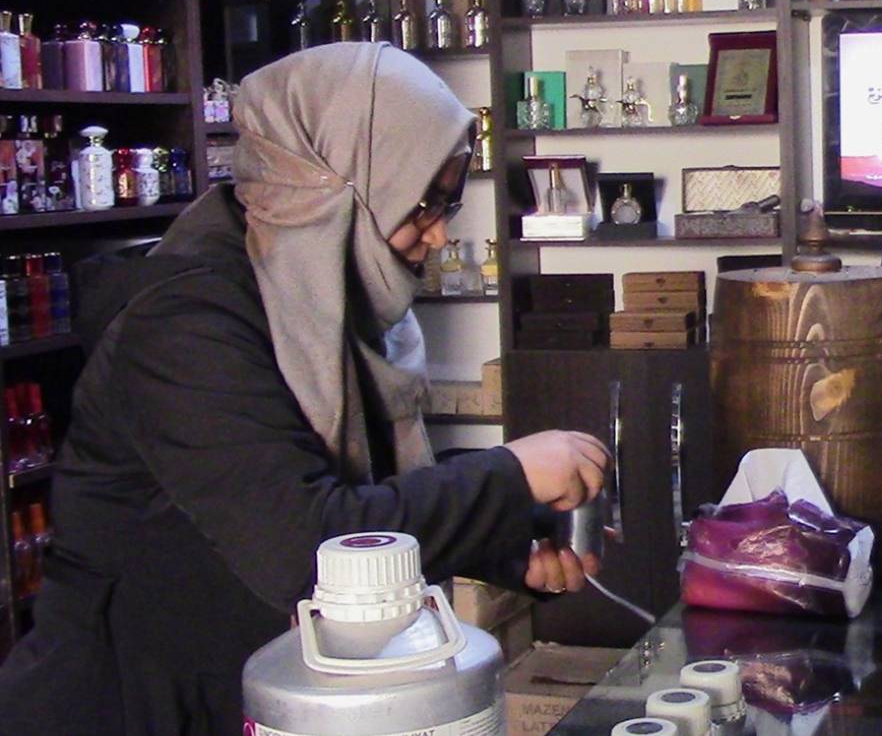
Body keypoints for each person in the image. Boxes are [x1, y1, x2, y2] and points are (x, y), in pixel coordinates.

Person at [0, 44, 609, 733]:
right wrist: (509, 478)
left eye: (449, 204)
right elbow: (307, 542)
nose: (438, 236)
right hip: (127, 704)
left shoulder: (318, 300)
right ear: (340, 185)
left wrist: (503, 547)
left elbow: (353, 494)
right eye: (422, 205)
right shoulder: (184, 321)